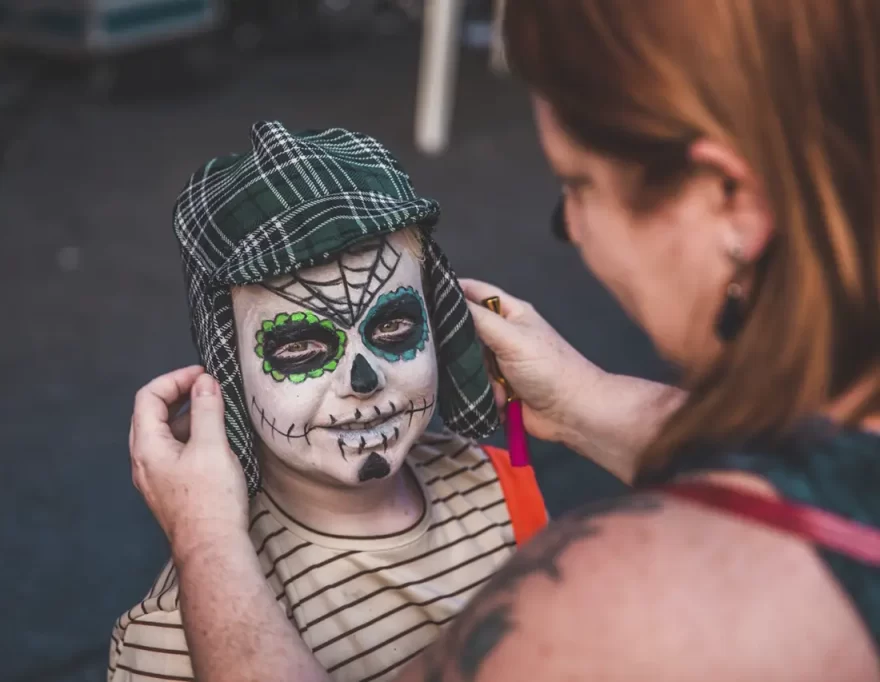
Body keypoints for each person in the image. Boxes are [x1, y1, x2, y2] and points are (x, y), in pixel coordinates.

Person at [127, 0, 880, 680]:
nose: (571, 228)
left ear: (732, 199)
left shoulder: (608, 604)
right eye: (298, 346)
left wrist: (207, 548)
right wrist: (588, 403)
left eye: (579, 184)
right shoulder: (164, 640)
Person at [110, 122, 549, 682]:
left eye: (392, 324)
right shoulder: (176, 639)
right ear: (228, 368)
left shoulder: (500, 486)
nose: (363, 380)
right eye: (299, 346)